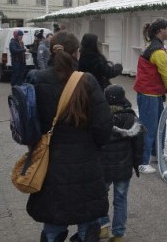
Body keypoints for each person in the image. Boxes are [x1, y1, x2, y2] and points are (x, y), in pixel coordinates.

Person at [26, 31, 112, 242]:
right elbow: (104, 126)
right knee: (87, 225)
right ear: (76, 52)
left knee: (53, 225)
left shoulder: (37, 79)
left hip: (50, 164)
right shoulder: (87, 81)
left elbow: (27, 125)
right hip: (86, 164)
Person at [98, 84, 145, 242]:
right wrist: (137, 164)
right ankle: (118, 234)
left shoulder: (100, 117)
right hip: (123, 167)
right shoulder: (132, 118)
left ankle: (102, 225)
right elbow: (139, 145)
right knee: (121, 198)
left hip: (103, 167)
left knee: (100, 195)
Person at [133, 18, 167, 174]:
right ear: (160, 31)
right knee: (148, 128)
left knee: (160, 125)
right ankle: (142, 162)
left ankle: (156, 153)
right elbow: (166, 76)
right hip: (148, 94)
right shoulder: (158, 51)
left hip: (154, 94)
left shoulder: (155, 46)